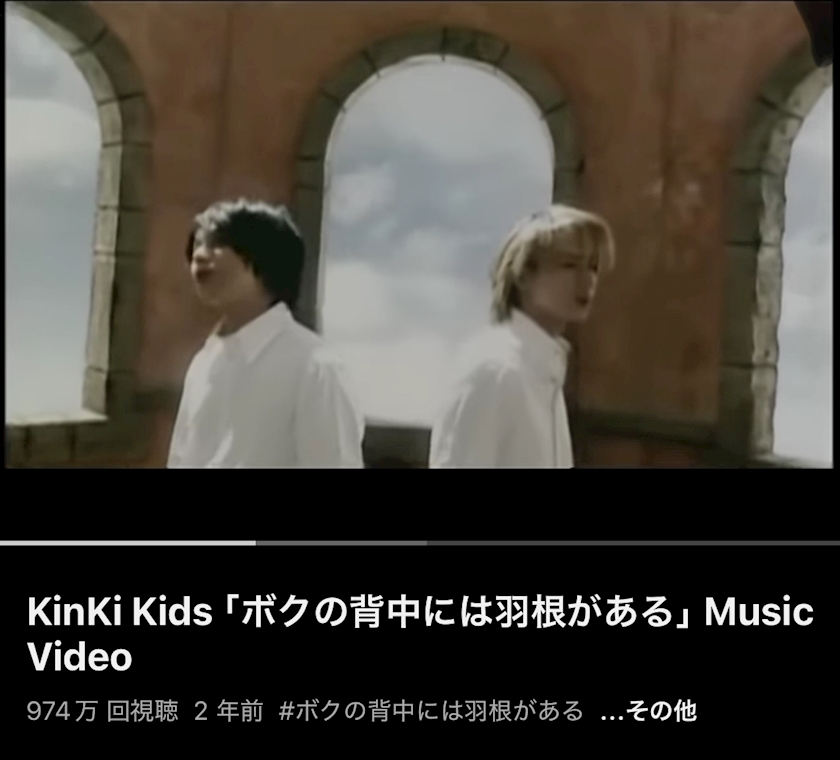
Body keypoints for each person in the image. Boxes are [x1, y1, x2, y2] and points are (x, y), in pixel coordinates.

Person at [168, 199, 365, 468]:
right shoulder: (205, 362)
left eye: (217, 244)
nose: (199, 255)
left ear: (262, 258)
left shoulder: (315, 367)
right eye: (197, 246)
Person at [429, 205, 615, 468]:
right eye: (570, 265)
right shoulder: (494, 371)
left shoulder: (545, 375)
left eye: (593, 267)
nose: (587, 280)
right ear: (524, 275)